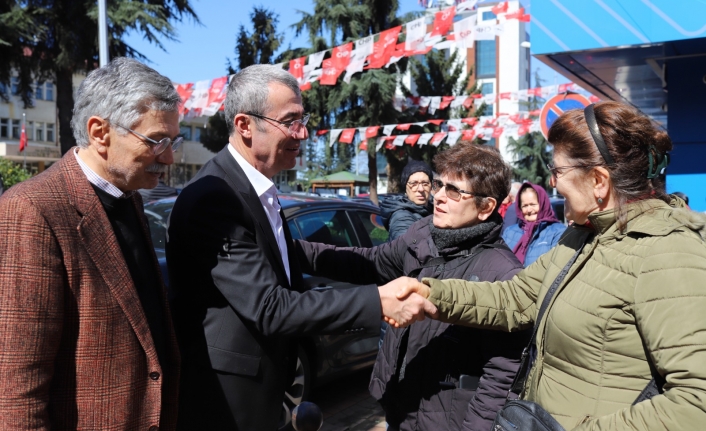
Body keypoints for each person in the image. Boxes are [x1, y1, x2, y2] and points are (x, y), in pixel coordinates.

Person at [389, 101, 706, 430]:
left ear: (598, 180)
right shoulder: (582, 236)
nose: (552, 183)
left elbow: (697, 402)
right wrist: (428, 294)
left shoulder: (668, 252)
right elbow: (518, 297)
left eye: (557, 171)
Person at [165, 64, 435, 431]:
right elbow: (270, 306)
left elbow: (299, 255)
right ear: (245, 125)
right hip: (228, 402)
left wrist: (391, 258)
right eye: (290, 121)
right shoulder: (215, 196)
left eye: (302, 119)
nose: (303, 132)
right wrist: (378, 301)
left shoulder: (253, 186)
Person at [0, 58, 181, 429]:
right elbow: (18, 385)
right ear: (99, 132)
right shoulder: (33, 210)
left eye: (173, 141)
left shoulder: (129, 196)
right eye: (156, 141)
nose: (169, 157)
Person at [295, 143, 529, 431]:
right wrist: (291, 249)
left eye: (454, 191)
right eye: (439, 185)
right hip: (399, 408)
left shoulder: (503, 274)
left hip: (446, 422)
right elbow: (369, 263)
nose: (439, 197)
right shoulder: (422, 234)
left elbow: (501, 379)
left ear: (486, 207)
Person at [502, 182, 565, 266]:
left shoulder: (558, 232)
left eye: (533, 204)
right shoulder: (509, 232)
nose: (529, 210)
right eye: (525, 206)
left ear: (543, 204)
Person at [380, 159, 434, 240]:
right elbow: (407, 247)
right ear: (405, 186)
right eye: (413, 184)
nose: (421, 189)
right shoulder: (401, 217)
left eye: (425, 183)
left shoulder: (434, 209)